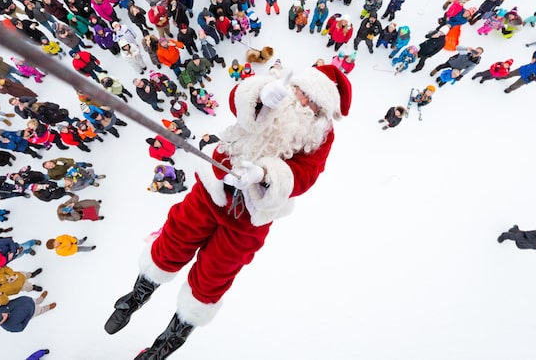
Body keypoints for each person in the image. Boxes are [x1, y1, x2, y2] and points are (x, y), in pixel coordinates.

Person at [104, 66, 352, 358]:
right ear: (296, 85)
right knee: (173, 242)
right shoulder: (274, 90)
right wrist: (260, 96)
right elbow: (238, 98)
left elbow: (306, 175)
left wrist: (262, 175)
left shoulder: (321, 135)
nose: (305, 104)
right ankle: (136, 297)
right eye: (303, 94)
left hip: (251, 216)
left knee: (212, 280)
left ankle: (165, 344)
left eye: (315, 105)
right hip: (213, 188)